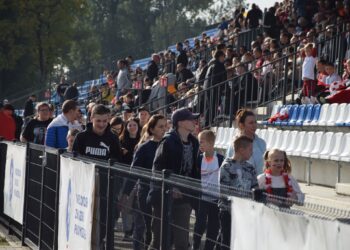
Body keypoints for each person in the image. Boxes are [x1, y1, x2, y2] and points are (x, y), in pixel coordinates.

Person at [148, 107, 200, 250]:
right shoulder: (168, 141)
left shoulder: (194, 142)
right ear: (181, 123)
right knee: (159, 240)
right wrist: (171, 188)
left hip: (184, 198)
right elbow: (157, 169)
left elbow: (194, 171)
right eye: (190, 119)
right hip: (164, 197)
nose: (194, 122)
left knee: (182, 242)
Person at [72, 104, 122, 249]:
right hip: (85, 186)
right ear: (92, 118)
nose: (101, 124)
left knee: (104, 221)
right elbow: (75, 159)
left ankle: (98, 244)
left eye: (105, 121)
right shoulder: (81, 137)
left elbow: (117, 160)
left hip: (105, 187)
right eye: (98, 120)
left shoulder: (113, 138)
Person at [121, 115, 167, 250]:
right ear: (151, 129)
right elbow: (134, 172)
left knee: (160, 231)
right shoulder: (144, 148)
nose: (164, 129)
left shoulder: (169, 145)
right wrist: (125, 193)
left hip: (164, 195)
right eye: (160, 126)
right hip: (145, 194)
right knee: (145, 229)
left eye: (165, 126)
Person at [219, 136, 258, 250]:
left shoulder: (250, 168)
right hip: (228, 212)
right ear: (241, 150)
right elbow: (224, 191)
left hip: (245, 212)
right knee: (227, 242)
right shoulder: (226, 166)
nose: (252, 152)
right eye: (250, 149)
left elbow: (255, 187)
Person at [193, 130, 224, 250]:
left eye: (202, 142)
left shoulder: (220, 159)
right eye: (199, 142)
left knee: (213, 226)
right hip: (202, 198)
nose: (199, 145)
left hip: (216, 199)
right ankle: (195, 246)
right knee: (199, 225)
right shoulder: (199, 159)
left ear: (211, 143)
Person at [119, 117, 141, 240]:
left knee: (136, 205)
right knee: (125, 204)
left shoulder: (142, 141)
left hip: (138, 176)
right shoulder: (121, 141)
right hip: (125, 175)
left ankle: (135, 229)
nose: (132, 127)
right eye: (129, 125)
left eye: (134, 125)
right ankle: (127, 230)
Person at [226, 109, 266, 175]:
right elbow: (229, 167)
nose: (254, 125)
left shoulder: (262, 143)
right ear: (242, 125)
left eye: (255, 122)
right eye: (251, 123)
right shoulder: (233, 145)